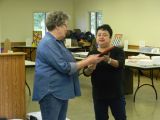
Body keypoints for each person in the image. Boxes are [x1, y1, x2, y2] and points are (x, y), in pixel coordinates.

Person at [32, 11, 104, 120]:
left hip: (60, 91)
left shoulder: (58, 42)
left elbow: (68, 62)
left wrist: (87, 63)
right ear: (57, 26)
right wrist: (88, 60)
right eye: (65, 25)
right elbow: (64, 67)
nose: (67, 28)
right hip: (51, 93)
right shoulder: (48, 43)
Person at [83, 24, 127, 120]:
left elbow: (120, 64)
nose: (101, 37)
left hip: (116, 93)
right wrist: (90, 68)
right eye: (99, 35)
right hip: (99, 94)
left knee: (120, 117)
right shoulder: (92, 53)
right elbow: (85, 73)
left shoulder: (118, 51)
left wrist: (108, 60)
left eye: (104, 35)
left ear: (110, 37)